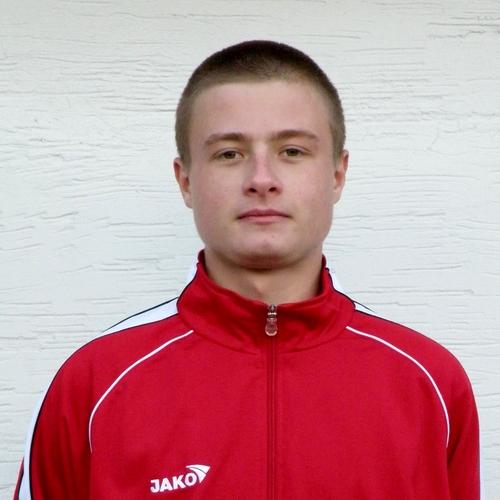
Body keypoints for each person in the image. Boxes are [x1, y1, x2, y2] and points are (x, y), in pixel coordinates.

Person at [14, 40, 479, 499]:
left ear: (337, 175)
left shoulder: (430, 384)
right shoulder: (92, 385)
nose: (261, 180)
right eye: (229, 154)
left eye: (292, 151)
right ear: (186, 180)